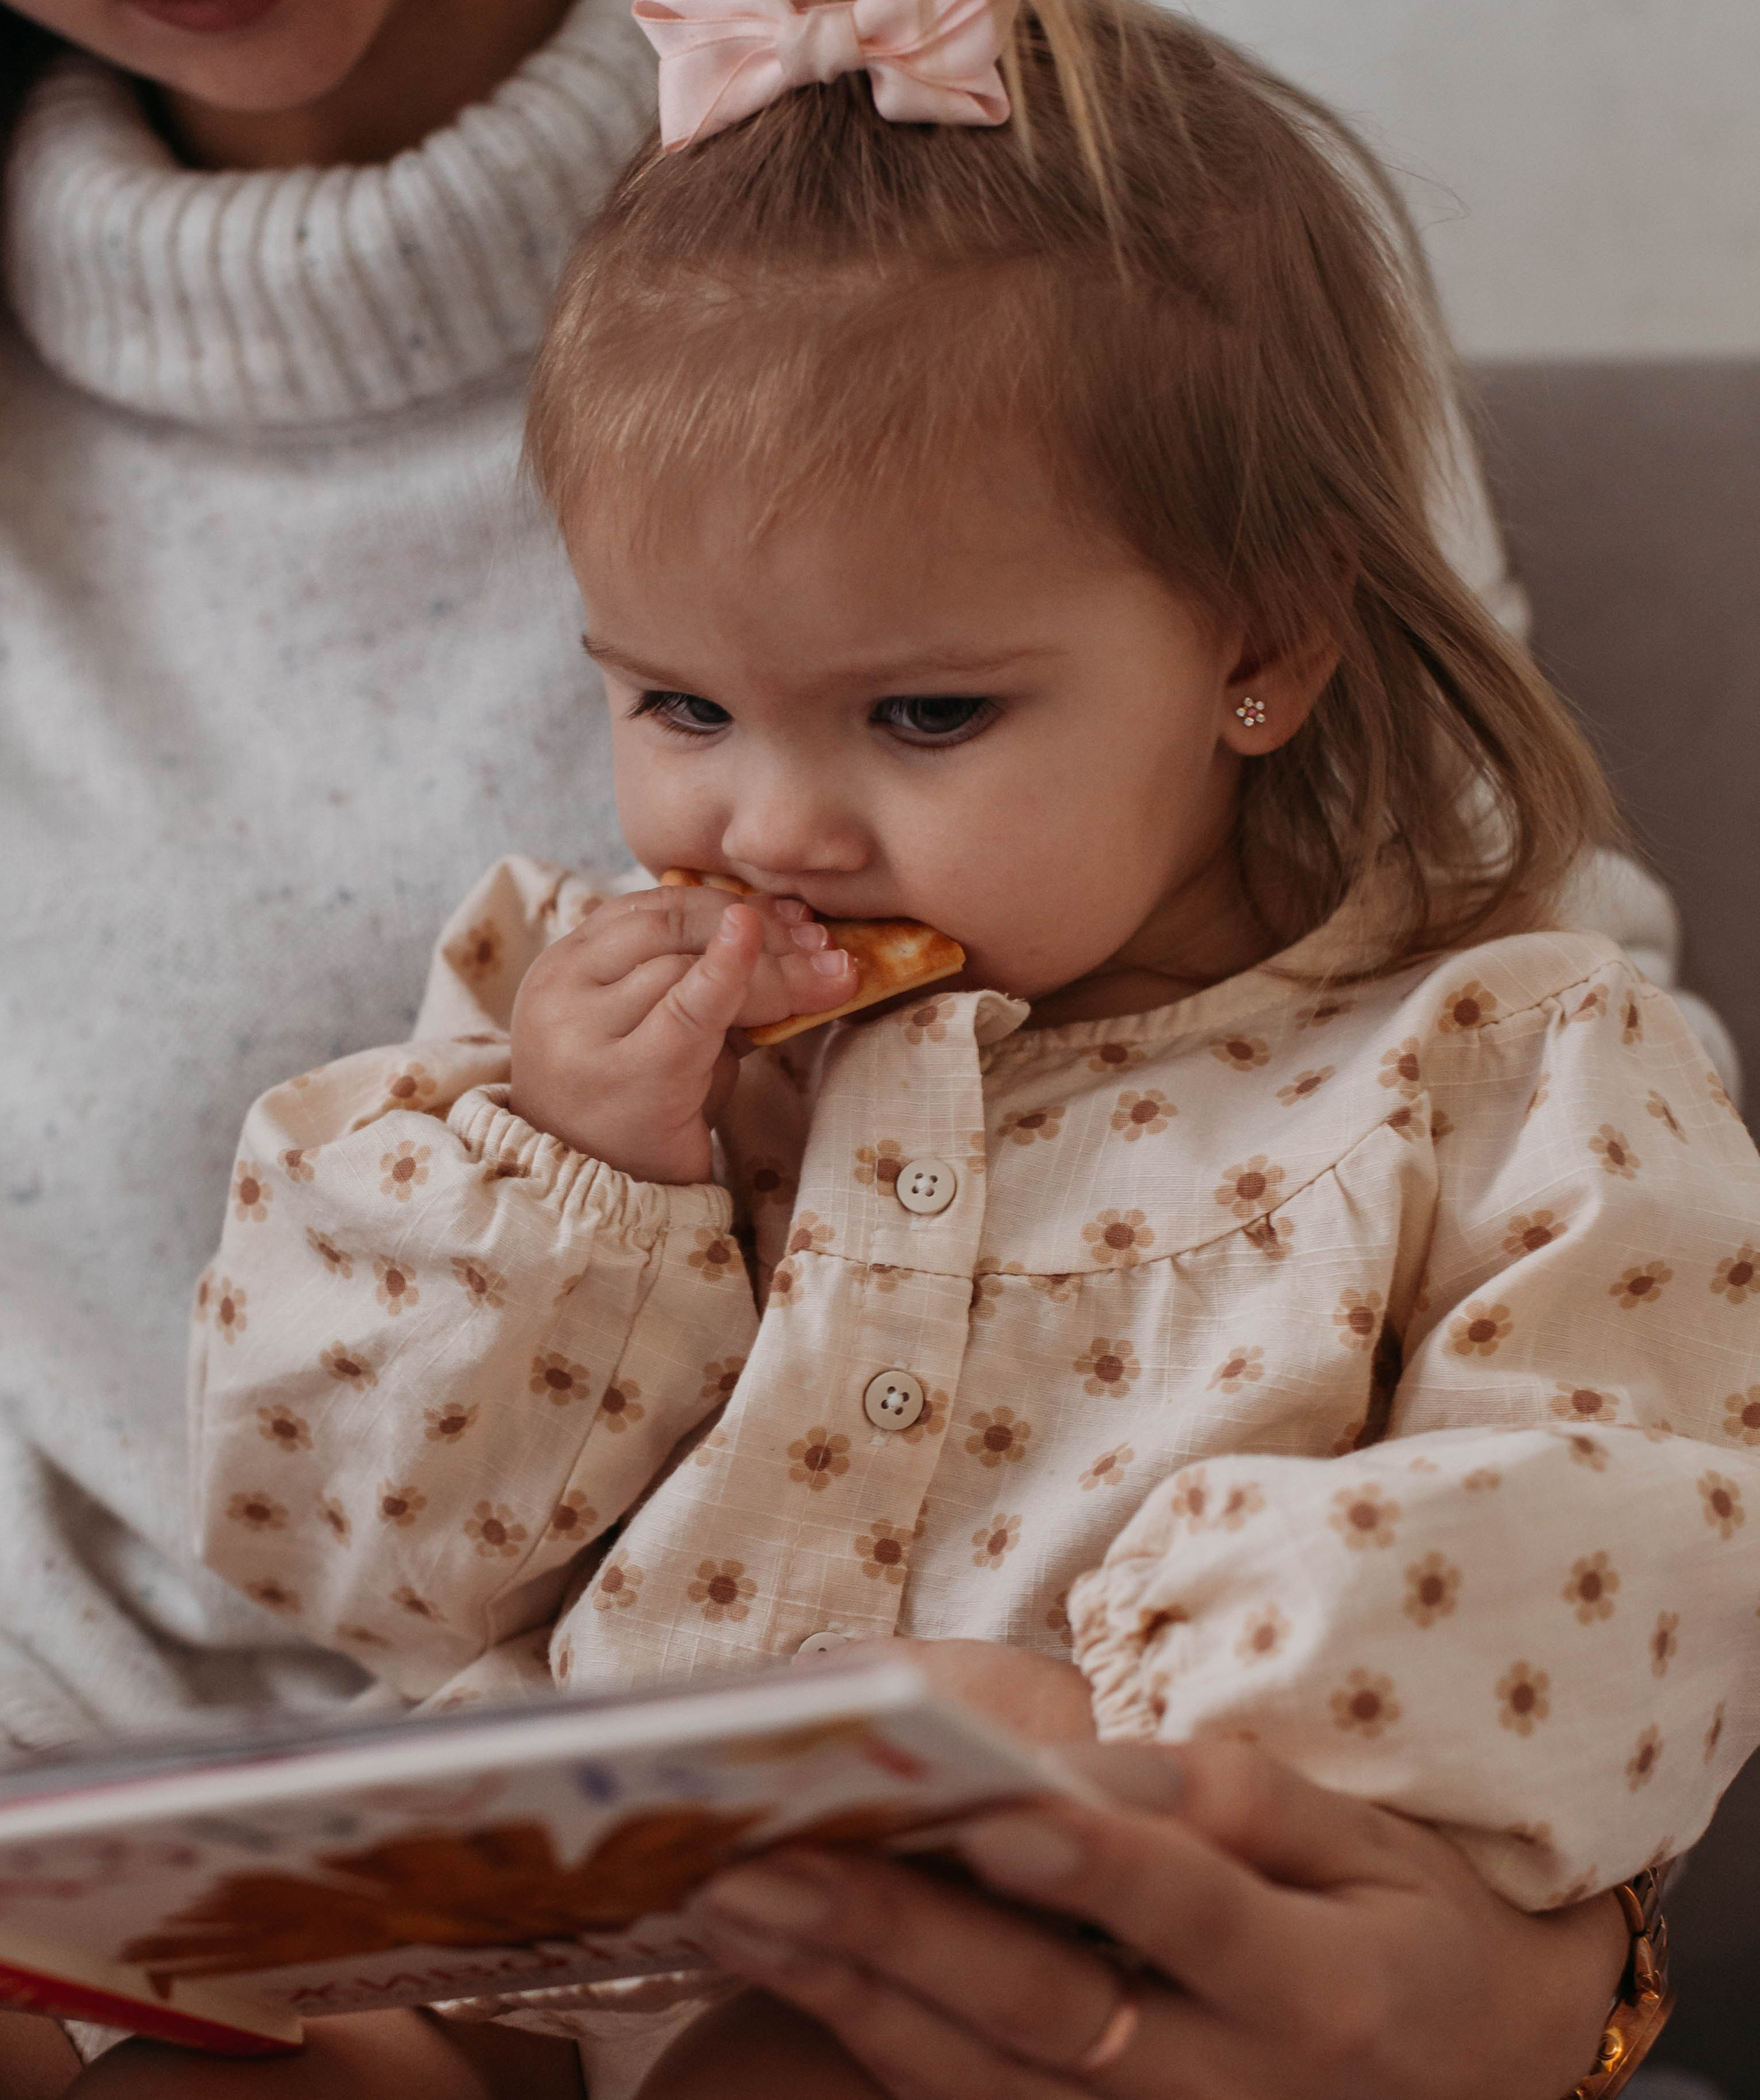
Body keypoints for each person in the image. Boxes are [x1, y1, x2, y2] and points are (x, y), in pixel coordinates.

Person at [0, 2, 1734, 2097]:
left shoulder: (1501, 1065)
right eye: (676, 708)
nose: (769, 829)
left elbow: (1610, 1542)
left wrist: (1151, 1734)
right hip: (512, 1933)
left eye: (924, 717)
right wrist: (572, 1182)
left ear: (1265, 646)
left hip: (1045, 1953)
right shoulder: (574, 1053)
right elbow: (369, 1568)